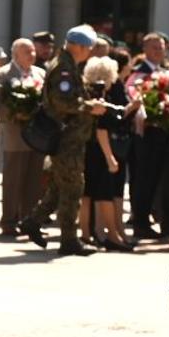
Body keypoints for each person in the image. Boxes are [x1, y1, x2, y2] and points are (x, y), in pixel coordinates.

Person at [19, 25, 111, 256]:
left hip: (71, 137)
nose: (89, 53)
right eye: (88, 48)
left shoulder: (67, 64)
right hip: (66, 137)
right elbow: (63, 103)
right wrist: (91, 107)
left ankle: (33, 221)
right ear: (79, 46)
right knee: (73, 187)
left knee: (61, 185)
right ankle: (69, 240)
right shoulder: (64, 68)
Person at [80, 56, 134, 251]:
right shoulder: (102, 96)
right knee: (105, 194)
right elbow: (101, 129)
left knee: (87, 194)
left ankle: (86, 234)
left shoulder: (87, 92)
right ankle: (112, 235)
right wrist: (110, 157)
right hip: (99, 150)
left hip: (87, 148)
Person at [0, 38, 45, 235]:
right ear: (15, 54)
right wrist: (17, 114)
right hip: (15, 135)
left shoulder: (40, 73)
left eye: (33, 51)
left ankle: (29, 220)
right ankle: (9, 221)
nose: (32, 55)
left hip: (37, 135)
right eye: (27, 52)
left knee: (34, 180)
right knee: (13, 180)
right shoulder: (4, 74)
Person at [131, 32, 169, 240]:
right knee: (144, 180)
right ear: (145, 50)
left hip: (163, 133)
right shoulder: (138, 73)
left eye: (162, 47)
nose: (159, 51)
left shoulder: (167, 71)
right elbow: (134, 97)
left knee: (159, 179)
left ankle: (154, 217)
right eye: (154, 47)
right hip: (145, 135)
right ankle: (140, 221)